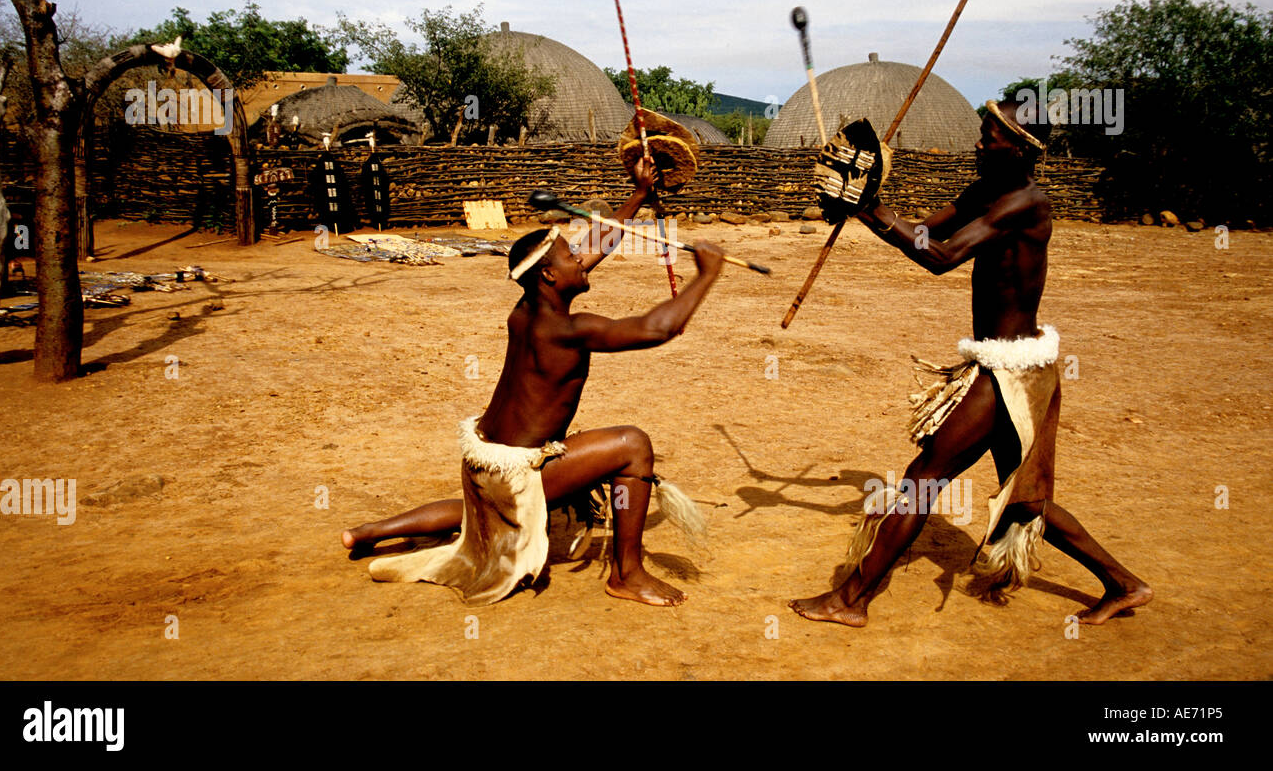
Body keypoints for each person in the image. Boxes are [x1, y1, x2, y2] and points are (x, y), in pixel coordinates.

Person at [789, 98, 1152, 627]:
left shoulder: (1026, 203)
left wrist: (869, 207)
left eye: (990, 136)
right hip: (1010, 369)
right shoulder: (987, 194)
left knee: (922, 479)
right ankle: (1125, 584)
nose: (980, 143)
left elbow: (943, 257)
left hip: (1009, 373)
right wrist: (866, 202)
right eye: (982, 133)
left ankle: (851, 600)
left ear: (1022, 148)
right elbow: (927, 234)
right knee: (1024, 504)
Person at [342, 158, 725, 607]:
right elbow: (656, 329)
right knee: (633, 445)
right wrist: (707, 276)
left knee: (478, 513)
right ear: (548, 276)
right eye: (571, 257)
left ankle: (368, 532)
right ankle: (628, 573)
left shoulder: (525, 311)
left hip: (481, 465)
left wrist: (638, 195)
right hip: (517, 473)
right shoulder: (567, 331)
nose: (583, 258)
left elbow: (592, 249)